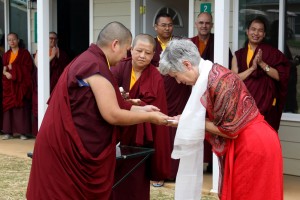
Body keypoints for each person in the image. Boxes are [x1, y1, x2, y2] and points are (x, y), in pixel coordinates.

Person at [26, 22, 171, 200]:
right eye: (127, 50)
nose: (127, 55)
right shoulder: (94, 67)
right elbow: (112, 114)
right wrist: (149, 117)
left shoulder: (90, 61)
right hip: (64, 149)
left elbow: (115, 103)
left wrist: (143, 109)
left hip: (64, 144)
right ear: (115, 44)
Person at [159, 38, 283, 200]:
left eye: (176, 75)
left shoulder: (219, 81)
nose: (178, 81)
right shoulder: (210, 74)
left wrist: (189, 122)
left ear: (187, 65)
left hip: (253, 145)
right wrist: (188, 119)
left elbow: (230, 130)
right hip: (248, 142)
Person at [110, 34, 171, 199]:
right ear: (131, 50)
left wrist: (132, 103)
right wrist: (128, 102)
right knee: (113, 181)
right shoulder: (118, 68)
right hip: (116, 132)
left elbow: (158, 109)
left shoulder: (156, 76)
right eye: (139, 51)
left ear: (153, 55)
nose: (143, 56)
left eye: (148, 53)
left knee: (136, 182)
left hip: (141, 138)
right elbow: (107, 98)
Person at [190, 12, 233, 172]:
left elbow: (225, 66)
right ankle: (197, 162)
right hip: (193, 90)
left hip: (214, 92)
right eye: (201, 22)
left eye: (207, 23)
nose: (204, 26)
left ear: (212, 25)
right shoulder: (190, 43)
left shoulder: (219, 42)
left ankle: (212, 163)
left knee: (211, 123)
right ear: (196, 24)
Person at [152, 12, 192, 184]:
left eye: (170, 25)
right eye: (163, 25)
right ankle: (160, 172)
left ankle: (176, 173)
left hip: (179, 91)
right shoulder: (151, 45)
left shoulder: (179, 44)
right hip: (158, 94)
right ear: (156, 27)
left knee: (179, 132)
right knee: (161, 134)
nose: (167, 28)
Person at [231, 17, 290, 131]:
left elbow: (281, 76)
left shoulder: (271, 53)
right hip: (245, 105)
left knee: (265, 139)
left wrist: (262, 64)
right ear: (247, 31)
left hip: (266, 106)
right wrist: (252, 69)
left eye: (260, 30)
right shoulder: (239, 55)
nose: (256, 33)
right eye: (253, 29)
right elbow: (234, 79)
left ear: (264, 34)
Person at [32, 32, 70, 136]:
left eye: (54, 39)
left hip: (55, 85)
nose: (52, 40)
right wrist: (52, 56)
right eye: (50, 38)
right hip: (42, 85)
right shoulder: (40, 51)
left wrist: (58, 55)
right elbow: (38, 65)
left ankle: (53, 132)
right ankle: (39, 132)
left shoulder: (61, 53)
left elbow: (65, 68)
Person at [2, 32, 33, 140]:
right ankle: (8, 132)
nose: (12, 42)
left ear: (18, 40)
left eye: (13, 39)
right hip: (9, 86)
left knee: (21, 109)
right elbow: (3, 69)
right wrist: (6, 73)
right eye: (9, 40)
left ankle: (23, 132)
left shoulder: (25, 54)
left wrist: (13, 68)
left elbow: (28, 68)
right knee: (8, 108)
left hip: (21, 85)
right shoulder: (6, 55)